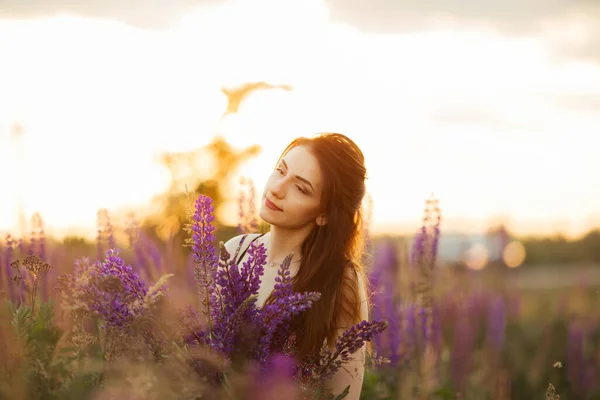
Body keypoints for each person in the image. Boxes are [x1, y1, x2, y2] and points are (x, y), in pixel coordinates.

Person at [224, 132, 369, 400]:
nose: (277, 188)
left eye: (300, 188)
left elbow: (343, 394)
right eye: (280, 171)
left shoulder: (340, 280)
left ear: (324, 214)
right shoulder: (234, 251)